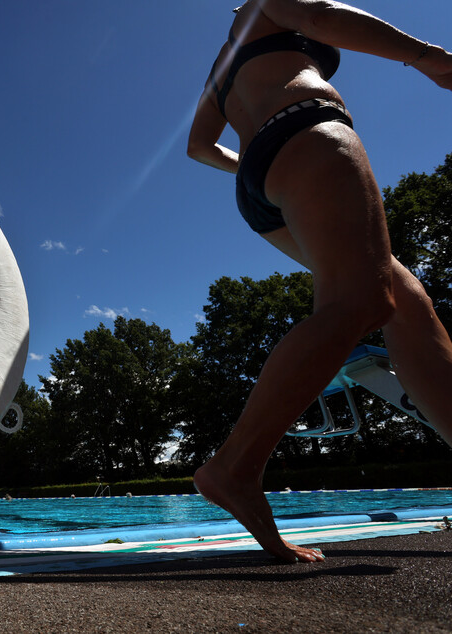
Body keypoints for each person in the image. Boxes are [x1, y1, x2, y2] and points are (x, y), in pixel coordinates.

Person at [186, 0, 452, 563]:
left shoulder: (223, 62)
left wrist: (265, 161)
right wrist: (427, 58)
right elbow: (323, 18)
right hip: (308, 133)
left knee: (405, 302)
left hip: (266, 178)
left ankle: (235, 467)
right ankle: (234, 466)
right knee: (362, 299)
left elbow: (198, 145)